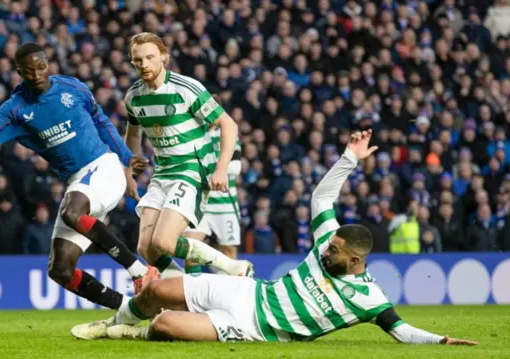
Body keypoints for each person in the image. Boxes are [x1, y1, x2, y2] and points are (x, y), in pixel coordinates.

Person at [71, 130, 478, 347]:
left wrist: (440, 340)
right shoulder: (327, 243)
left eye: (335, 252)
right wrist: (349, 159)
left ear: (356, 261)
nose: (326, 250)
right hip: (250, 293)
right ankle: (112, 323)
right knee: (157, 291)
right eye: (330, 244)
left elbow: (401, 331)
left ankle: (132, 332)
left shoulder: (369, 299)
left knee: (165, 326)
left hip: (254, 329)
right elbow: (322, 196)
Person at [0, 42, 157, 312]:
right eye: (28, 70)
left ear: (48, 64)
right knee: (60, 270)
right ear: (19, 72)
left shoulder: (73, 87)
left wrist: (126, 156)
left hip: (103, 168)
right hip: (78, 183)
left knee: (72, 211)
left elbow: (102, 121)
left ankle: (140, 271)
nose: (36, 74)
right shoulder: (15, 111)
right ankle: (129, 310)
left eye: (41, 66)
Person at [122, 32, 252, 279]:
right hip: (162, 173)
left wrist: (221, 169)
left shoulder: (186, 88)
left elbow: (229, 125)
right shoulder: (133, 96)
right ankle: (183, 291)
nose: (144, 64)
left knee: (164, 241)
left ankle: (232, 266)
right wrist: (129, 167)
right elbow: (132, 134)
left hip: (192, 171)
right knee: (146, 248)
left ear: (164, 57)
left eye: (150, 57)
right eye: (138, 60)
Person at [183, 131, 243, 274]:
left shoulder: (228, 134)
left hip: (225, 205)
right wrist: (219, 164)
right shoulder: (192, 132)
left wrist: (203, 165)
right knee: (191, 249)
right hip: (199, 202)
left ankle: (226, 293)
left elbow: (235, 168)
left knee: (229, 251)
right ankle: (193, 292)